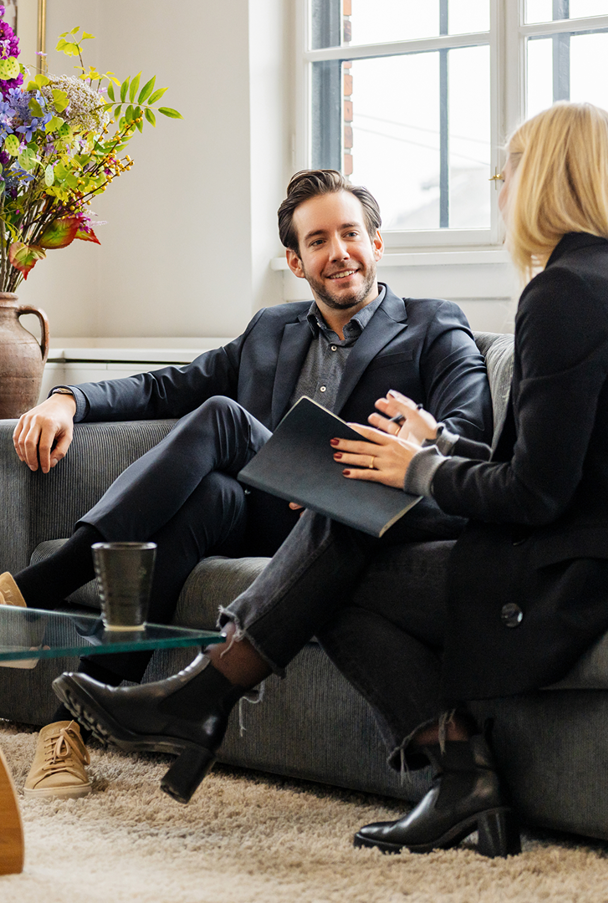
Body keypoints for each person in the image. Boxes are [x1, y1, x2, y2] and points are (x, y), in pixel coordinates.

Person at [51, 103, 608, 857]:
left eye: (510, 172)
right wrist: (439, 442)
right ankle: (431, 767)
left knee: (340, 540)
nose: (501, 192)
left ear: (545, 179)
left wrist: (420, 466)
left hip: (587, 570)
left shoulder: (563, 293)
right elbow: (541, 464)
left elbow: (535, 494)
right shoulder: (607, 281)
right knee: (348, 520)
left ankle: (212, 697)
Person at [0, 169, 493, 800]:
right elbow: (165, 387)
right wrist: (68, 398)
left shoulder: (431, 325)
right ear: (296, 259)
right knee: (205, 500)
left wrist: (351, 464)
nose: (338, 251)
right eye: (318, 240)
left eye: (350, 234)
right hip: (271, 513)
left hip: (354, 522)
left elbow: (464, 432)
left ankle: (36, 588)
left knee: (224, 418)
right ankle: (68, 731)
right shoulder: (271, 330)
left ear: (376, 242)